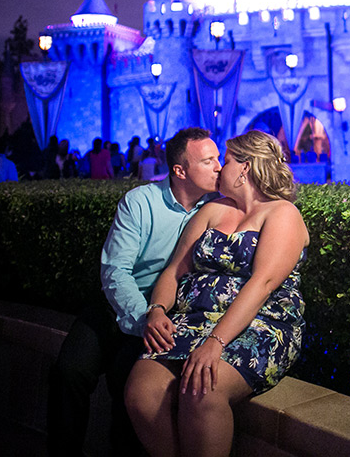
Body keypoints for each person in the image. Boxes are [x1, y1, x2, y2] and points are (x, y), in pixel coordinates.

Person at [125, 130, 308, 457]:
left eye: (225, 161)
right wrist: (156, 310)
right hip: (194, 320)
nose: (219, 169)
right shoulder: (212, 211)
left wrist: (216, 342)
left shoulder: (282, 214)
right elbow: (173, 271)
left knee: (202, 390)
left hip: (260, 325)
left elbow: (262, 283)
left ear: (245, 168)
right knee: (141, 391)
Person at [47, 128, 222, 456]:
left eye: (218, 158)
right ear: (180, 171)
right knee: (68, 372)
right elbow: (115, 270)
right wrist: (143, 316)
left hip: (167, 314)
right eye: (208, 160)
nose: (218, 167)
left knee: (129, 385)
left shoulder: (216, 209)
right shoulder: (142, 201)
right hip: (119, 305)